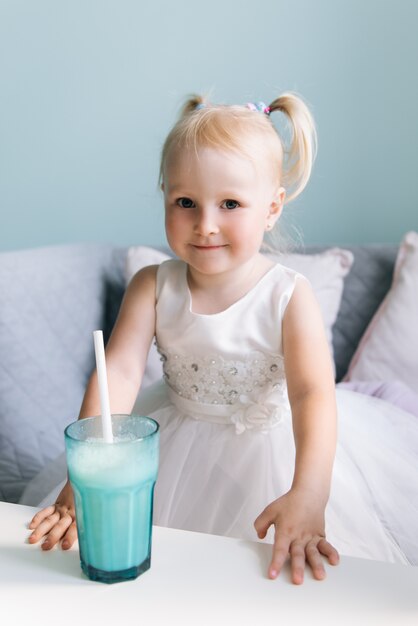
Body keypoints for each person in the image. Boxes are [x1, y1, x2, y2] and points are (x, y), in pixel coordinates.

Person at [28, 93, 417, 584]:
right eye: (185, 202)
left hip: (273, 452)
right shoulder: (152, 284)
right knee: (155, 569)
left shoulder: (288, 295)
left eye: (230, 204)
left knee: (267, 575)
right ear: (164, 194)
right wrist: (85, 474)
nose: (205, 225)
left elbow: (311, 392)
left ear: (272, 207)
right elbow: (120, 373)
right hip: (174, 441)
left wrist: (309, 493)